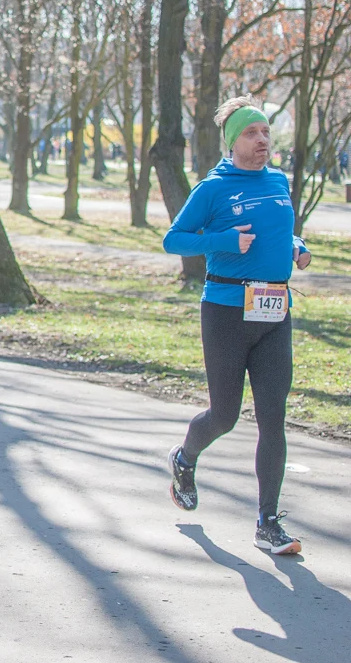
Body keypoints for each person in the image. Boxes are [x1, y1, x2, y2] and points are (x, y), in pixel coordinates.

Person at [164, 96, 313, 556]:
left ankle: (268, 522)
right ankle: (185, 458)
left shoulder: (278, 181)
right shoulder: (213, 188)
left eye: (265, 131)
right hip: (227, 311)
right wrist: (225, 239)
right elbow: (174, 239)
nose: (262, 139)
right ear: (233, 142)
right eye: (252, 133)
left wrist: (296, 245)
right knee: (225, 415)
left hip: (275, 310)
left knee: (274, 418)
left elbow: (279, 229)